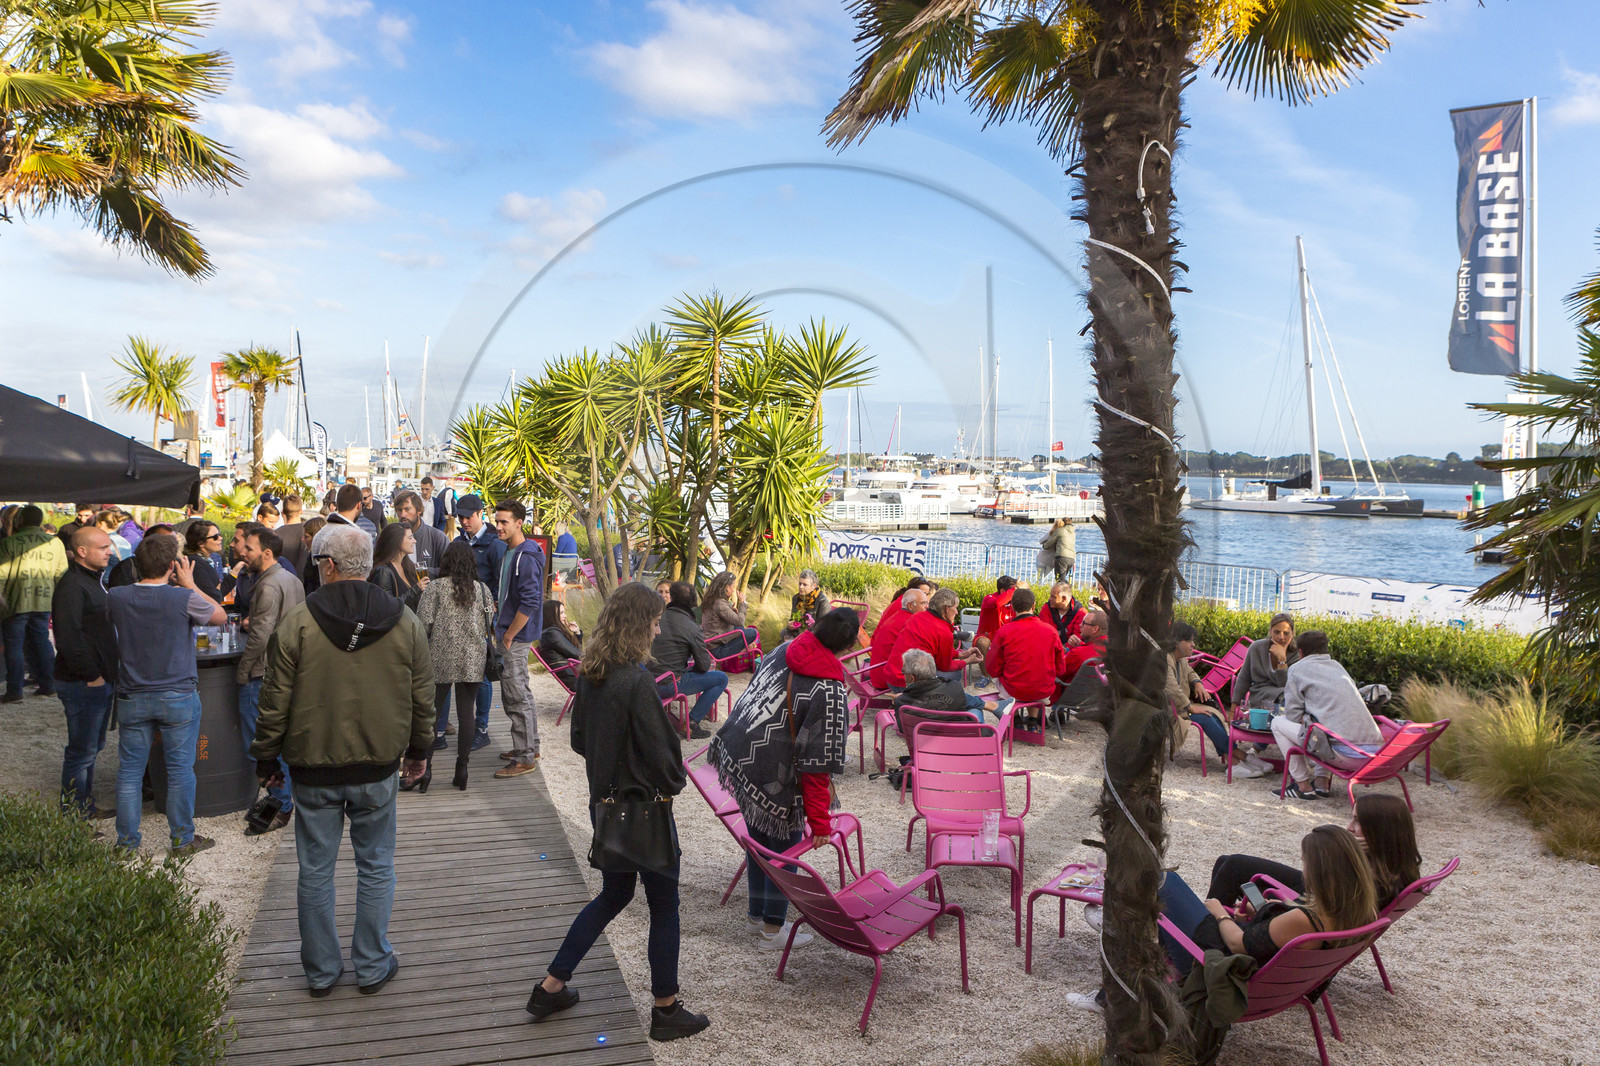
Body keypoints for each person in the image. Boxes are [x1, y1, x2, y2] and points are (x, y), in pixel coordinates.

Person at [250, 523, 433, 996]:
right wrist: (419, 751)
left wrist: (265, 759)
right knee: (376, 866)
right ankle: (371, 965)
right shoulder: (404, 621)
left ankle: (321, 971)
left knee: (315, 869)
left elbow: (274, 701)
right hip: (378, 764)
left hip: (313, 767)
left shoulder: (299, 622)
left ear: (328, 566)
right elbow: (423, 696)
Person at [527, 582, 710, 1042]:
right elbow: (663, 754)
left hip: (605, 806)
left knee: (614, 895)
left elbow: (579, 741)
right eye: (655, 622)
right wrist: (671, 781)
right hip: (644, 810)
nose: (658, 630)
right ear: (638, 625)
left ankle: (551, 987)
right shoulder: (637, 681)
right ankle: (666, 1010)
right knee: (664, 906)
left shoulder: (592, 672)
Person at [1066, 824, 1378, 1017]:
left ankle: (1112, 990)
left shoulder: (1304, 920)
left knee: (1163, 882)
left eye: (1306, 863)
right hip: (1251, 969)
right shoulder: (1355, 913)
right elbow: (1273, 936)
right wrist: (1266, 913)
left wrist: (1219, 912)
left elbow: (1238, 943)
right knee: (1166, 902)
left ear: (1322, 872)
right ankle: (1118, 984)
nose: (1303, 870)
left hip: (1218, 968)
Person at [712, 607, 861, 952]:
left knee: (759, 843)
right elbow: (817, 764)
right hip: (778, 777)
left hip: (744, 756)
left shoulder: (784, 649)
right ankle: (772, 930)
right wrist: (820, 821)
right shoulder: (830, 690)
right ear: (848, 646)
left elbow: (754, 694)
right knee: (784, 853)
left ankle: (756, 916)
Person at [107, 534, 226, 854]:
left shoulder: (116, 596)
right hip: (177, 694)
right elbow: (219, 616)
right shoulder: (183, 598)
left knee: (129, 772)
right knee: (179, 771)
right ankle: (182, 840)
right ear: (173, 565)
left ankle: (126, 843)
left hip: (132, 694)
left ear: (136, 565)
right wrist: (190, 584)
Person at [1209, 792, 1422, 911]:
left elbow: (1321, 894)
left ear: (1380, 832)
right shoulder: (1394, 872)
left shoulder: (1366, 884)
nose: (1349, 827)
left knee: (1233, 866)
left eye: (1357, 821)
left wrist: (1348, 852)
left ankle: (1205, 935)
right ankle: (1214, 921)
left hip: (1305, 903)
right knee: (1227, 862)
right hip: (1309, 896)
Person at [237, 527, 304, 834]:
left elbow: (260, 636)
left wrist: (243, 671)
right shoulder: (292, 579)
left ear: (266, 553)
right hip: (287, 670)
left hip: (263, 673)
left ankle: (280, 804)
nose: (243, 553)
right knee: (280, 741)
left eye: (249, 548)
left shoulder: (268, 585)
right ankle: (282, 800)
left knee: (261, 744)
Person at [416, 540, 496, 792]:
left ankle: (426, 769)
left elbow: (422, 624)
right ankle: (462, 768)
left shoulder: (435, 588)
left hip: (439, 657)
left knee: (433, 713)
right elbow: (489, 621)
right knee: (466, 714)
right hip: (472, 657)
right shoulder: (481, 589)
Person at [51, 526, 120, 818]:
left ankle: (83, 806)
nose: (109, 552)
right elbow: (68, 638)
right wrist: (93, 676)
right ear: (82, 551)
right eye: (103, 547)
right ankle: (74, 813)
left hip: (96, 680)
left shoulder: (92, 580)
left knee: (91, 747)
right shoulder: (72, 586)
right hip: (82, 682)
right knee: (82, 750)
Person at [1271, 630, 1384, 800]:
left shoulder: (1297, 669)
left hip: (1346, 755)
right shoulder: (1338, 667)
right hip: (1374, 755)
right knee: (1320, 724)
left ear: (1300, 652)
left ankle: (1302, 786)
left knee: (1279, 723)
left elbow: (1292, 715)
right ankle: (1321, 783)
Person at [1166, 622, 1262, 778]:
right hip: (1171, 711)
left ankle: (1235, 756)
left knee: (1213, 715)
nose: (1193, 645)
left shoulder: (1180, 659)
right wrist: (1190, 707)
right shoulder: (1166, 660)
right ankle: (1236, 759)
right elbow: (1171, 687)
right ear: (1176, 642)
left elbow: (1190, 672)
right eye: (1189, 641)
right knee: (1206, 717)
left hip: (1180, 708)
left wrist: (1197, 683)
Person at [493, 499, 544, 778]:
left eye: (504, 522)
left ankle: (524, 758)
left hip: (515, 636)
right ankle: (529, 748)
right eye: (497, 521)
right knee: (521, 691)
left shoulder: (526, 556)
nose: (498, 526)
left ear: (519, 523)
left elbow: (531, 601)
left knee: (515, 696)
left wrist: (509, 634)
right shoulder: (511, 551)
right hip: (513, 633)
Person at [451, 494, 505, 751]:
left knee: (482, 674)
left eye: (468, 516)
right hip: (459, 617)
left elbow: (501, 582)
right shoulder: (458, 542)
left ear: (480, 513)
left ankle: (481, 729)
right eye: (460, 517)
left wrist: (492, 605)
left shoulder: (494, 545)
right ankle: (469, 726)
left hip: (483, 619)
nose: (464, 521)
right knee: (462, 672)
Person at [1, 505, 68, 702]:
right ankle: (49, 685)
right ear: (40, 521)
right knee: (42, 642)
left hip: (15, 602)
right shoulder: (55, 543)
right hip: (44, 600)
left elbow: (1, 574)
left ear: (20, 520)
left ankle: (14, 691)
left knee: (14, 646)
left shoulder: (9, 542)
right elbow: (62, 574)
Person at [650, 581, 729, 741]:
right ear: (693, 603)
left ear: (671, 597)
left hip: (647, 681)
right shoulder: (692, 627)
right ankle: (692, 723)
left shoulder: (654, 618)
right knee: (721, 679)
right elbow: (704, 665)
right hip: (669, 685)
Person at [983, 588, 1066, 721]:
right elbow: (1061, 669)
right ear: (1033, 605)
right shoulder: (1051, 631)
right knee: (1035, 677)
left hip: (1014, 690)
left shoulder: (1004, 632)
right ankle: (1033, 721)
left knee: (1004, 678)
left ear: (1012, 607)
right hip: (1042, 690)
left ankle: (1015, 719)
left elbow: (992, 669)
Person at [884, 587, 977, 688]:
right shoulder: (943, 631)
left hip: (892, 678)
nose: (957, 612)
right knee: (956, 673)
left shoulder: (916, 617)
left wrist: (961, 655)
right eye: (955, 608)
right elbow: (945, 666)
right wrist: (967, 661)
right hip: (907, 683)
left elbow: (933, 649)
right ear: (946, 609)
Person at [896, 648, 992, 719]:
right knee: (975, 710)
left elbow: (902, 729)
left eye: (903, 671)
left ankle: (988, 705)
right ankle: (989, 705)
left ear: (912, 678)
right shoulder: (955, 688)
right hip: (957, 737)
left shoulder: (901, 702)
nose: (902, 672)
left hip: (922, 738)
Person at [1233, 613, 1300, 710]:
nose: (1281, 637)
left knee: (1289, 699)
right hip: (1260, 695)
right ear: (1270, 631)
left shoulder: (1296, 654)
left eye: (1286, 633)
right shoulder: (1256, 648)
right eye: (1277, 632)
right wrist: (1232, 709)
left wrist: (1282, 660)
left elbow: (1284, 685)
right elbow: (1243, 679)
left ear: (1292, 634)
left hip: (1285, 696)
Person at [868, 585, 927, 690]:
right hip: (890, 679)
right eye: (923, 603)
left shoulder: (897, 617)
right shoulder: (910, 623)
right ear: (910, 606)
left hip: (878, 675)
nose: (927, 607)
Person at [699, 570, 758, 661]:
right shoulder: (720, 603)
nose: (733, 590)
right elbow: (740, 621)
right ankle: (745, 649)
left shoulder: (712, 600)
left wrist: (730, 611)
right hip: (717, 650)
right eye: (732, 586)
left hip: (710, 644)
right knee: (752, 633)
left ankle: (745, 647)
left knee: (739, 628)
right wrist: (743, 602)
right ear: (726, 587)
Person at [368, 522, 424, 612]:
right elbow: (387, 607)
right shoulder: (383, 572)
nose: (414, 541)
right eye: (410, 538)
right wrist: (416, 589)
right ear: (397, 541)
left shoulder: (407, 565)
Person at [393, 489, 447, 577]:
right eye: (399, 510)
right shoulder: (392, 538)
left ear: (419, 510)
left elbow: (450, 571)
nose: (403, 515)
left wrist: (419, 571)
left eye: (407, 509)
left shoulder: (438, 538)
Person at [540, 599, 583, 690]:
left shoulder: (552, 631)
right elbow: (577, 654)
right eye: (561, 613)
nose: (565, 615)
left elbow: (576, 651)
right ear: (552, 615)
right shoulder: (551, 633)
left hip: (574, 672)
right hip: (574, 677)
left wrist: (577, 633)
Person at [974, 575, 1018, 658]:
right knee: (982, 642)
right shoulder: (989, 599)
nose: (1014, 594)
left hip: (1007, 640)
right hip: (989, 639)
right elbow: (997, 603)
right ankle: (987, 667)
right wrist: (1014, 590)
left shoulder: (1014, 604)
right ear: (1002, 591)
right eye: (1012, 591)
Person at [1060, 608, 1109, 682]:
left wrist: (1058, 652)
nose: (1080, 625)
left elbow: (1057, 672)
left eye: (1084, 623)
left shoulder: (1078, 654)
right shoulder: (1112, 649)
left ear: (1095, 629)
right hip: (1102, 688)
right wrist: (1081, 645)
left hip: (1071, 689)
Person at [183, 521, 227, 604]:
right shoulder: (195, 564)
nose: (220, 538)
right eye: (215, 537)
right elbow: (213, 596)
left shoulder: (206, 560)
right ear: (201, 543)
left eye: (219, 534)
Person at [782, 569, 829, 641]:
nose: (801, 587)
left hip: (814, 636)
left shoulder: (822, 601)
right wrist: (790, 625)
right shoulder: (796, 598)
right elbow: (793, 618)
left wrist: (804, 634)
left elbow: (823, 628)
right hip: (798, 633)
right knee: (783, 632)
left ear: (814, 586)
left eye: (805, 585)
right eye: (800, 583)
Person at [1043, 581, 1086, 646]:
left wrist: (1066, 648)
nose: (1049, 599)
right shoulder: (1046, 608)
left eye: (1053, 597)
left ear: (1064, 599)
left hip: (1071, 650)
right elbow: (1044, 632)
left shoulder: (1080, 612)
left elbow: (1078, 638)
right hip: (1050, 646)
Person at [278, 495, 309, 574]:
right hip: (305, 579)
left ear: (283, 512)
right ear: (301, 511)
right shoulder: (309, 532)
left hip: (282, 578)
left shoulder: (275, 534)